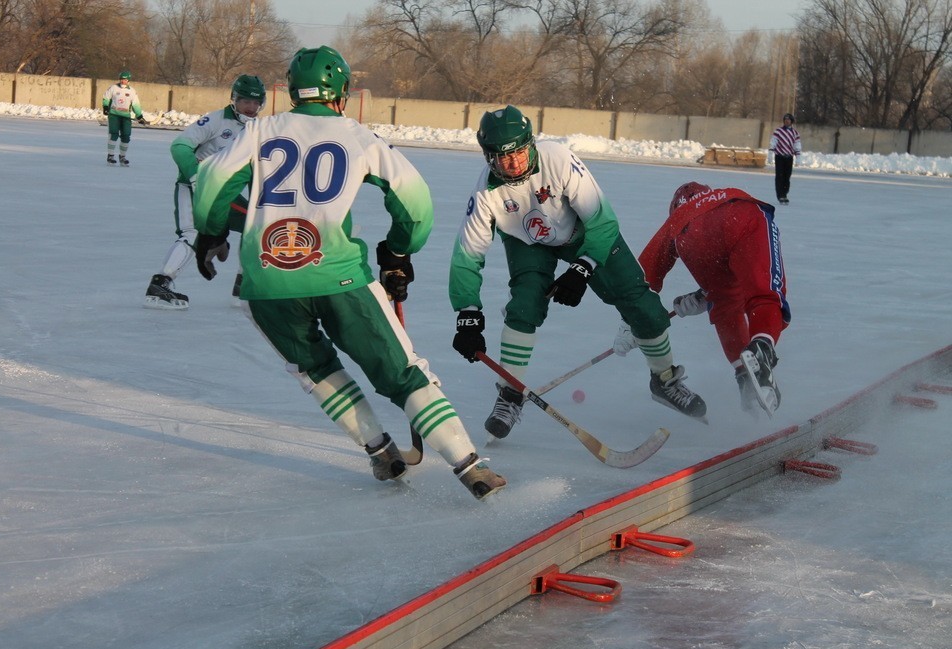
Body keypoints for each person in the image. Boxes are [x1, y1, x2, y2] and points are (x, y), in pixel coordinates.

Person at [191, 45, 506, 500]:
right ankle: (468, 465)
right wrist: (399, 251)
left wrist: (211, 231)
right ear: (340, 93)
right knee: (402, 374)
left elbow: (213, 182)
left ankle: (380, 451)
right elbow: (415, 201)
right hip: (339, 279)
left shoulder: (258, 130)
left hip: (266, 284)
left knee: (316, 369)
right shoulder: (359, 136)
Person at [449, 105, 707, 441]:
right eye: (501, 157)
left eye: (519, 153)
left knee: (641, 305)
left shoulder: (558, 159)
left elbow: (602, 219)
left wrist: (583, 268)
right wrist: (467, 313)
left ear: (531, 145)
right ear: (488, 157)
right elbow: (467, 256)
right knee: (524, 305)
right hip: (528, 242)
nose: (512, 163)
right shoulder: (485, 193)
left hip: (584, 231)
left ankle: (665, 380)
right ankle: (510, 393)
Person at [637, 181, 791, 417]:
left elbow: (642, 274)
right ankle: (762, 349)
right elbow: (745, 271)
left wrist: (632, 321)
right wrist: (703, 295)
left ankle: (744, 375)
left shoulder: (678, 219)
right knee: (764, 293)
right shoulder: (723, 196)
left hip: (689, 238)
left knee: (724, 303)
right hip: (740, 216)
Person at [144, 74, 265, 310]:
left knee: (257, 225)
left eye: (255, 103)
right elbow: (179, 146)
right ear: (234, 100)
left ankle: (243, 287)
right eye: (244, 102)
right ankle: (159, 286)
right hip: (194, 188)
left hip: (225, 194)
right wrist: (196, 176)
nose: (250, 108)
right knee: (192, 234)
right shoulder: (216, 120)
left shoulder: (259, 129)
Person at [102, 70, 148, 166]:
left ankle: (122, 157)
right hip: (114, 115)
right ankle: (110, 156)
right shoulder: (113, 88)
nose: (123, 81)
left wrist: (139, 116)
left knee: (126, 136)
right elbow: (106, 97)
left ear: (128, 80)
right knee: (113, 134)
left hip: (126, 117)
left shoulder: (132, 91)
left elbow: (136, 105)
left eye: (125, 80)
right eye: (122, 79)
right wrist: (105, 107)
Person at [769, 113, 801, 204]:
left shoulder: (795, 133)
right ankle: (780, 195)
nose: (787, 121)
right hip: (779, 157)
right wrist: (770, 153)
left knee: (787, 177)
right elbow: (773, 142)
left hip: (789, 157)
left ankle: (785, 193)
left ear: (791, 121)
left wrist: (798, 156)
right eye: (785, 120)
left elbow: (797, 145)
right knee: (779, 176)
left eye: (789, 120)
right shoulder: (778, 131)